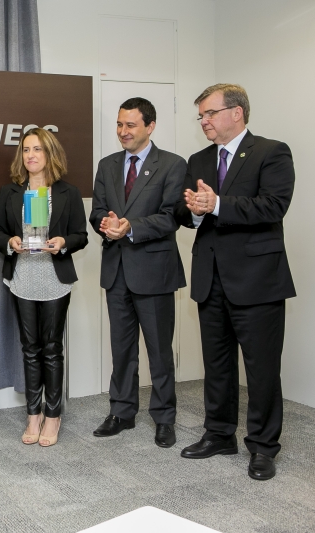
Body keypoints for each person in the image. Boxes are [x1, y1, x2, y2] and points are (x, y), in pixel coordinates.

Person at [174, 84, 295, 480]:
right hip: (210, 278)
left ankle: (263, 446)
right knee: (217, 365)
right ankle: (219, 434)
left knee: (262, 371)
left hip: (257, 280)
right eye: (201, 116)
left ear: (237, 112)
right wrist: (195, 211)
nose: (204, 121)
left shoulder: (271, 152)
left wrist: (218, 204)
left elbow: (273, 206)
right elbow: (183, 211)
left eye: (210, 113)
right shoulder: (199, 159)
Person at [89, 98, 187, 447]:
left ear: (150, 126)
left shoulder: (172, 165)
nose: (123, 131)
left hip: (154, 271)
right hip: (116, 271)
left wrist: (130, 227)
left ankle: (164, 417)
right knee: (122, 349)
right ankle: (122, 412)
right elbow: (97, 211)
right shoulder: (107, 165)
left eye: (130, 125)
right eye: (119, 124)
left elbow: (171, 217)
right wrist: (105, 223)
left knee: (159, 351)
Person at [0, 128, 88, 447]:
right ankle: (33, 414)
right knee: (30, 349)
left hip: (54, 279)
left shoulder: (68, 192)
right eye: (26, 149)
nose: (30, 155)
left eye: (37, 149)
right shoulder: (9, 191)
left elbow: (81, 235)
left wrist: (63, 242)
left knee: (52, 348)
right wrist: (10, 242)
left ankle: (53, 415)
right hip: (22, 278)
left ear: (50, 153)